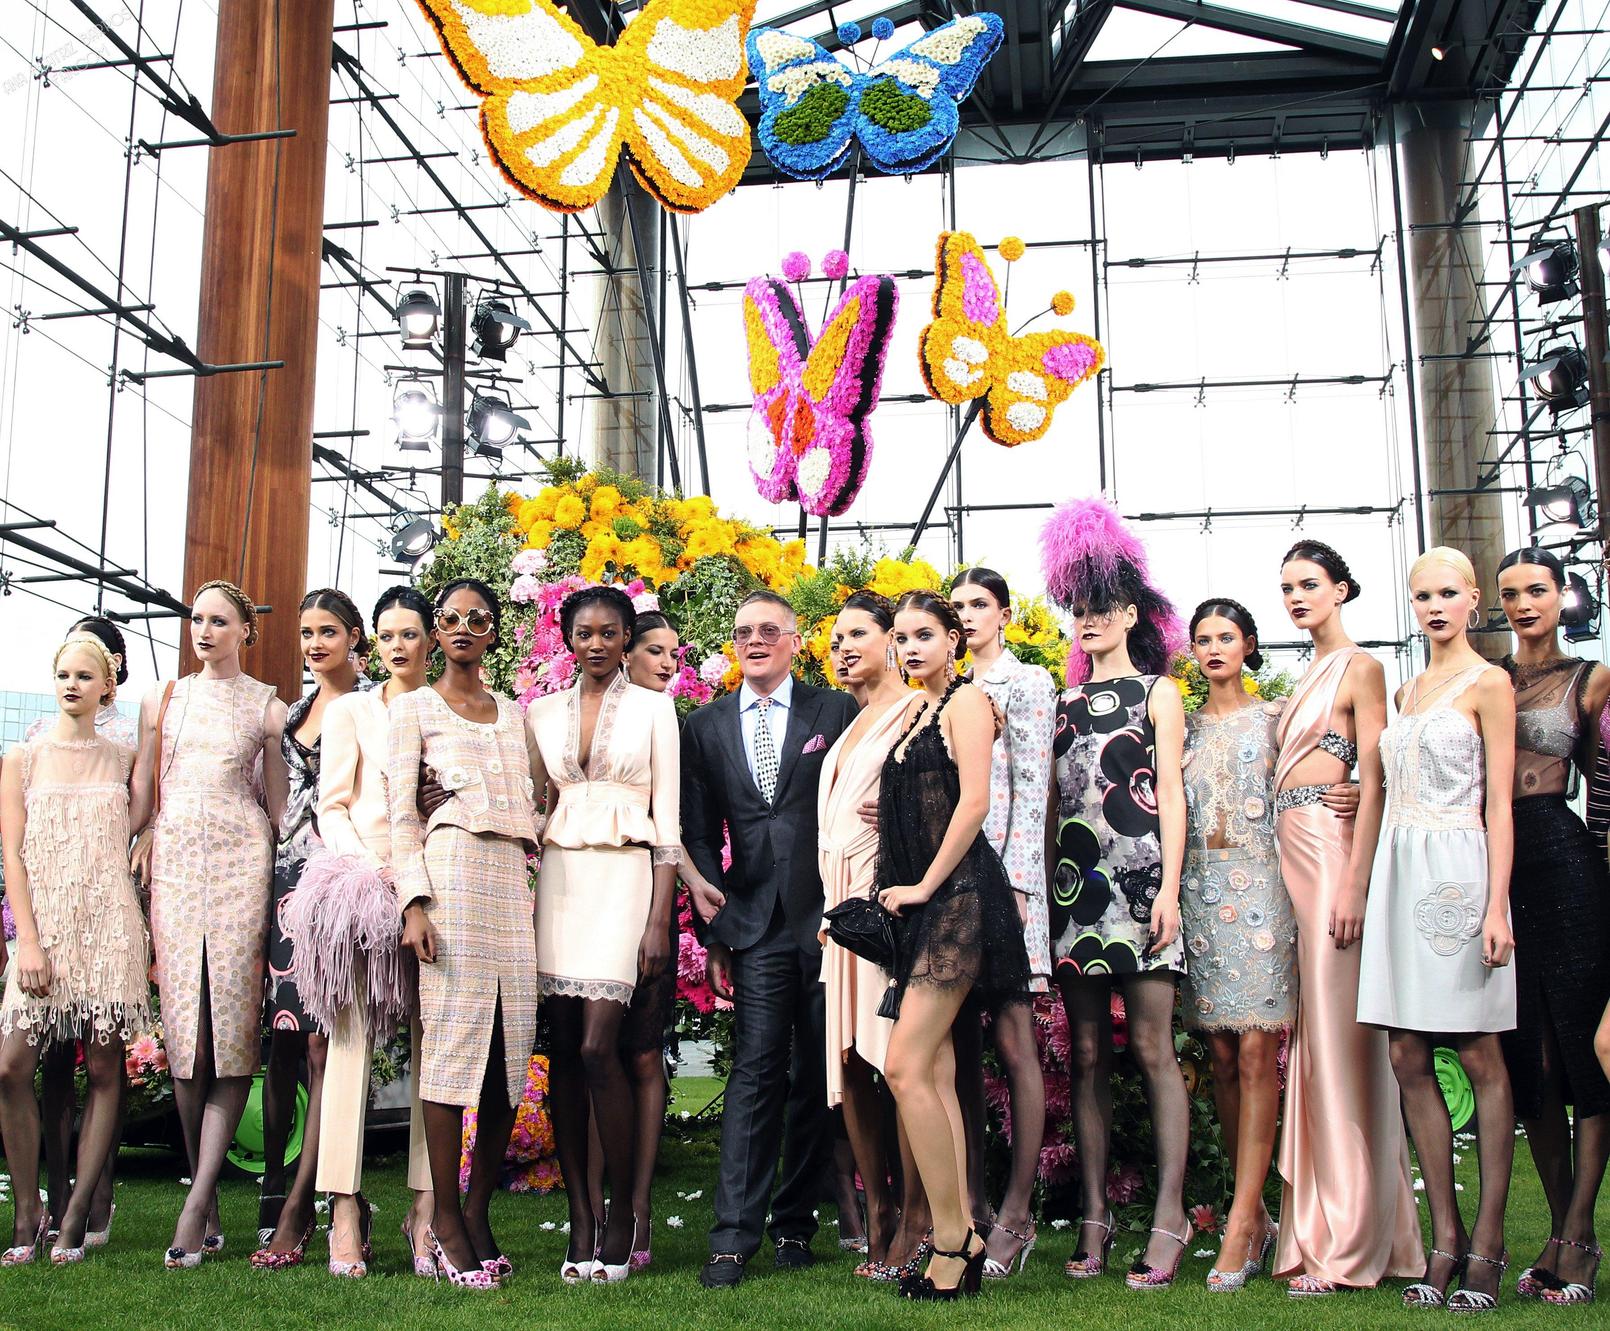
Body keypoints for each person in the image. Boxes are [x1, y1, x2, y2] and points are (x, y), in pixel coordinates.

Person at [681, 589, 858, 1288]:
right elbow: (700, 833)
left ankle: (794, 1225)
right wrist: (716, 929)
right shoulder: (705, 725)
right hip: (754, 925)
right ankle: (731, 1239)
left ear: (794, 641)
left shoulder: (833, 711)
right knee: (755, 1071)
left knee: (816, 1075)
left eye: (767, 630)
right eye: (742, 632)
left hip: (827, 920)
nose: (753, 640)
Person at [1039, 497, 1193, 1291]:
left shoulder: (1158, 692)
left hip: (1144, 889)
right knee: (1089, 1053)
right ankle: (1095, 1217)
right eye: (1078, 608)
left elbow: (1173, 794)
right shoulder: (1059, 704)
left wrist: (1170, 889)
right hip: (1077, 894)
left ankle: (1170, 1215)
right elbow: (1049, 808)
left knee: (1153, 1048)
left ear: (1133, 613)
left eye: (1101, 606)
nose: (1088, 619)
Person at [1358, 547, 1517, 1311]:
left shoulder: (1490, 684)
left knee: (1480, 1050)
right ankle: (1443, 1238)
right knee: (1405, 1050)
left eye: (1448, 593)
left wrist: (1496, 906)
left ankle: (1487, 1241)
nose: (1434, 606)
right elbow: (1390, 784)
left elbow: (1501, 804)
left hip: (1461, 870)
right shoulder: (1406, 688)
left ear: (1473, 598)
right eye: (1422, 595)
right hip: (1400, 869)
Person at [1271, 539, 1420, 1296]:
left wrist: (1357, 883)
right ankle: (1328, 1228)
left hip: (1332, 857)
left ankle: (1349, 1241)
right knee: (1314, 1037)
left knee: (1338, 1038)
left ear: (1342, 589)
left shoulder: (1362, 668)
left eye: (1309, 584)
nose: (1296, 597)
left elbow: (1378, 773)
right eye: (1287, 587)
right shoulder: (1304, 672)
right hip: (1290, 854)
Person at [388, 577, 543, 1291]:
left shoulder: (514, 714)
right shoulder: (413, 707)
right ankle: (444, 1220)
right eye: (449, 618)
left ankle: (478, 1211)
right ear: (436, 631)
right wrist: (414, 903)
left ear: (492, 633)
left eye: (476, 619)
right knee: (452, 1048)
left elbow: (539, 797)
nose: (461, 628)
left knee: (510, 1051)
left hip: (510, 880)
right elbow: (401, 813)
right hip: (449, 877)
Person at [876, 590, 1032, 1300]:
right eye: (902, 638)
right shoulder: (916, 711)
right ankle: (960, 1235)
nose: (910, 648)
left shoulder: (967, 703)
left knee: (905, 1066)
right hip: (924, 902)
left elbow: (974, 803)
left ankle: (951, 1240)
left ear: (953, 640)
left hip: (959, 898)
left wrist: (922, 887)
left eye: (924, 635)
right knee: (933, 1073)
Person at [130, 579, 288, 1268]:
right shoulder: (162, 699)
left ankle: (195, 1204)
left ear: (246, 630)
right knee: (186, 1034)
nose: (204, 630)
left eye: (220, 620)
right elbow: (144, 788)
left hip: (240, 868)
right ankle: (207, 1190)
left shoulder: (268, 706)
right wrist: (129, 841)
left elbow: (279, 809)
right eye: (198, 618)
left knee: (228, 1032)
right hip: (174, 867)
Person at [527, 586, 680, 1285]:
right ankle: (581, 1218)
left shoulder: (654, 708)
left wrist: (658, 920)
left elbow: (668, 824)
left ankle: (621, 1216)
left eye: (610, 632)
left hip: (625, 878)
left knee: (598, 1045)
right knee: (564, 1050)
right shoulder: (540, 713)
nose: (596, 643)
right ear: (568, 637)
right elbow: (533, 804)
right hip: (561, 880)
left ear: (626, 639)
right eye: (584, 632)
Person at [291, 585, 435, 1278]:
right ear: (373, 642)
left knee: (437, 1046)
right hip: (360, 887)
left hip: (438, 887)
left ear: (431, 640)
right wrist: (372, 870)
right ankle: (344, 1206)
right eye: (387, 634)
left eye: (410, 632)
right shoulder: (351, 709)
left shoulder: (451, 707)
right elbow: (332, 804)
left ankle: (426, 1208)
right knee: (348, 1044)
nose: (397, 645)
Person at [0, 634, 151, 1265]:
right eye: (64, 674)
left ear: (107, 686)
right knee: (11, 1067)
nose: (72, 685)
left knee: (106, 1070)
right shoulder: (22, 758)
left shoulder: (124, 757)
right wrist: (28, 942)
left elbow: (148, 817)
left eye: (85, 676)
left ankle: (76, 1217)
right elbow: (12, 857)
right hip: (45, 932)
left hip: (110, 929)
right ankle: (28, 1212)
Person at [582, 609, 717, 1273]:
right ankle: (596, 1209)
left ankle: (636, 1208)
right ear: (625, 652)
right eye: (656, 650)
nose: (669, 664)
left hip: (651, 897)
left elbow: (672, 820)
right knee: (592, 1053)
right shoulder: (577, 713)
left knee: (639, 1051)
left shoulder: (667, 719)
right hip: (586, 893)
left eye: (676, 654)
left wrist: (685, 887)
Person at [1496, 546, 1610, 1305]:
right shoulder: (1486, 678)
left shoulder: (1591, 678)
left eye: (1537, 589)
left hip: (1568, 865)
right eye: (1510, 593)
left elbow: (1604, 789)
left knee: (1580, 1048)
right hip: (1498, 868)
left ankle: (1577, 1231)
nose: (1524, 603)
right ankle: (1566, 1230)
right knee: (1528, 1058)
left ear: (1562, 593)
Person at [1183, 600, 1296, 1291]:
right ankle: (1254, 1217)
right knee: (1221, 1056)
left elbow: (1320, 779)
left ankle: (1241, 1219)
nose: (1215, 648)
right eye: (1203, 639)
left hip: (1265, 890)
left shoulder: (1278, 717)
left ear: (1249, 644)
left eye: (1226, 636)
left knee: (1257, 1049)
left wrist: (1343, 794)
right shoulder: (1181, 726)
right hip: (1198, 891)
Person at [255, 589, 368, 1267]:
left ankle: (307, 1204)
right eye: (306, 633)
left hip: (345, 881)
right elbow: (280, 802)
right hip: (288, 882)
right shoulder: (293, 712)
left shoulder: (377, 703)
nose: (315, 643)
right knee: (284, 1041)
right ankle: (274, 1193)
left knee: (329, 1045)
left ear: (355, 636)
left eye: (328, 631)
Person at [948, 568, 1053, 1279]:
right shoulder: (950, 688)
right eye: (957, 605)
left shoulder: (1029, 683)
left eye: (979, 604)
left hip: (1008, 885)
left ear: (1005, 615)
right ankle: (972, 1208)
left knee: (1015, 1045)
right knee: (957, 1051)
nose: (967, 615)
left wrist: (1015, 885)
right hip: (950, 886)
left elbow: (1033, 787)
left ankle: (1018, 1213)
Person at [816, 593, 909, 1276]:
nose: (844, 648)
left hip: (889, 907)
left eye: (857, 634)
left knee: (897, 1062)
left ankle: (919, 1214)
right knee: (849, 1063)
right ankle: (878, 1210)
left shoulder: (920, 712)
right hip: (840, 909)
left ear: (891, 641)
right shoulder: (852, 722)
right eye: (835, 640)